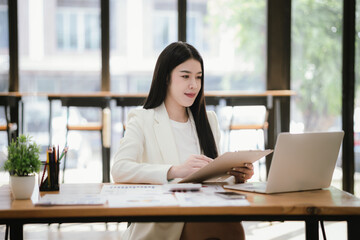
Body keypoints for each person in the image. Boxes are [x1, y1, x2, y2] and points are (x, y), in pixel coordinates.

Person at [111, 41, 254, 240]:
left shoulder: (208, 120)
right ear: (166, 78)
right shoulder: (142, 119)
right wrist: (174, 171)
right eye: (185, 76)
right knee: (224, 228)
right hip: (164, 217)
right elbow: (119, 169)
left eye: (198, 77)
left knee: (230, 226)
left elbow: (212, 178)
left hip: (205, 209)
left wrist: (235, 176)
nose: (194, 85)